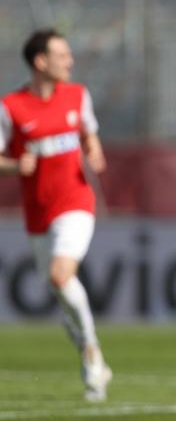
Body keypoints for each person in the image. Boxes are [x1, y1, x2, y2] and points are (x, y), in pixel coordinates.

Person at [0, 29, 113, 401]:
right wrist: (16, 166)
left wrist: (93, 151)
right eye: (62, 55)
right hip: (38, 213)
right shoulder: (11, 107)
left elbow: (88, 132)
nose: (70, 61)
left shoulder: (78, 96)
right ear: (40, 62)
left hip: (76, 202)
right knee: (59, 290)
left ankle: (92, 351)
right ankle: (86, 345)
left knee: (59, 273)